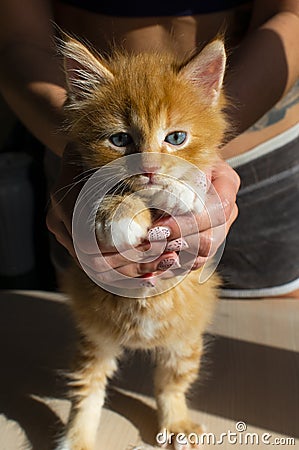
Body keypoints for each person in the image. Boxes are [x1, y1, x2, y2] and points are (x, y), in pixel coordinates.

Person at [0, 0, 298, 297]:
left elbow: (290, 15)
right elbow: (17, 38)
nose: (150, 162)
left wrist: (205, 141)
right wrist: (77, 147)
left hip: (266, 171)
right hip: (89, 168)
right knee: (100, 328)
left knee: (261, 330)